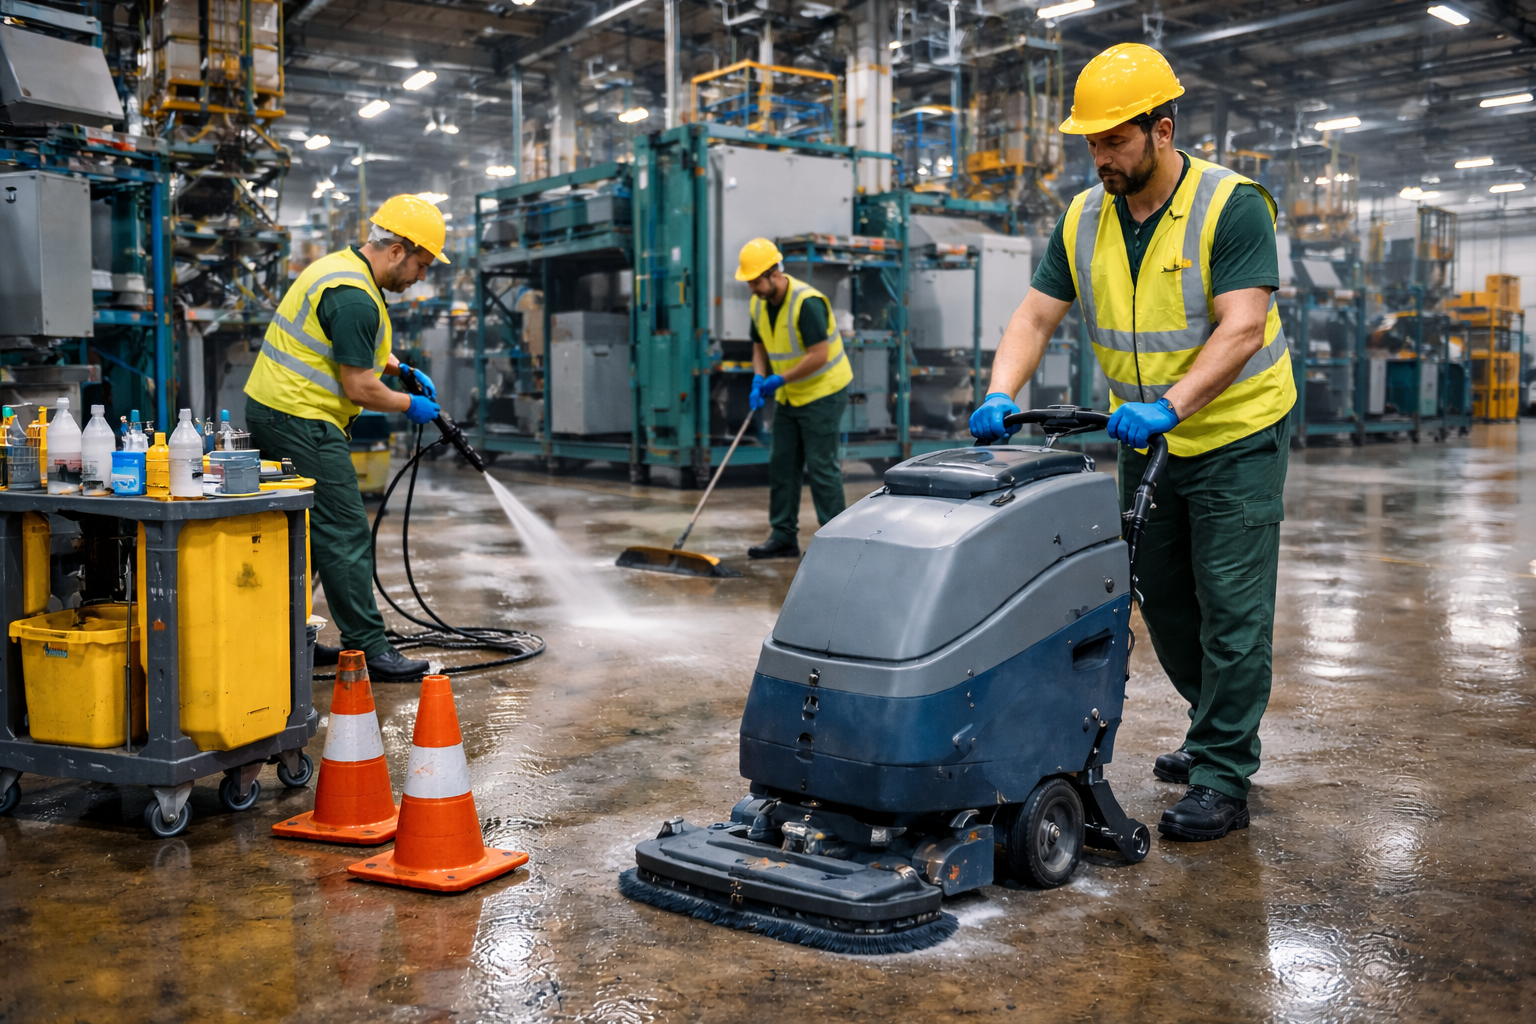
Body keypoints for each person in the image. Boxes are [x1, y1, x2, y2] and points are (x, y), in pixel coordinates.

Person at [971, 43, 1295, 841]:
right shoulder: (1084, 217)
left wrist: (1170, 406)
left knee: (1232, 609)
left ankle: (1223, 769)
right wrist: (998, 390)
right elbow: (1036, 315)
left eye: (1114, 139)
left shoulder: (1232, 204)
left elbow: (1244, 325)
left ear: (1162, 129)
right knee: (1161, 596)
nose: (1100, 157)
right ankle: (1214, 724)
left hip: (1233, 434)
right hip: (1148, 444)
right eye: (1090, 142)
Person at [244, 194, 447, 681]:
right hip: (301, 418)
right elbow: (358, 386)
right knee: (346, 531)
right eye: (421, 264)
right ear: (397, 249)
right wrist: (409, 404)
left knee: (307, 538)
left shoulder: (342, 269)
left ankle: (292, 638)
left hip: (278, 409)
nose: (421, 277)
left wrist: (399, 367)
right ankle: (370, 648)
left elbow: (347, 344)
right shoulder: (355, 295)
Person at [739, 238, 854, 559]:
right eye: (749, 283)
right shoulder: (758, 303)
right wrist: (759, 378)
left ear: (775, 273)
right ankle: (783, 536)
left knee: (821, 467)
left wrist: (780, 378)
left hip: (823, 391)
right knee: (782, 463)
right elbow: (760, 345)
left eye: (757, 281)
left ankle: (836, 540)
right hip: (790, 395)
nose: (753, 288)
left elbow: (819, 355)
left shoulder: (807, 303)